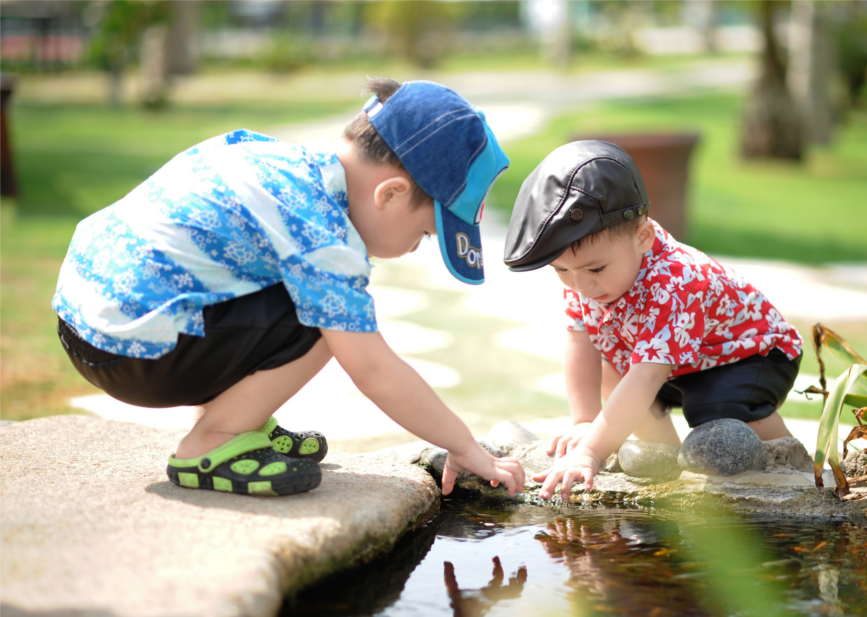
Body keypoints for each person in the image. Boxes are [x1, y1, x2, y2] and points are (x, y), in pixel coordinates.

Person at [53, 78, 525, 498]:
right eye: (424, 234)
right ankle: (212, 442)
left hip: (88, 321)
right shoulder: (321, 232)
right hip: (132, 352)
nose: (413, 249)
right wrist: (463, 445)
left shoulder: (278, 160)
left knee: (307, 295)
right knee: (331, 321)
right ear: (391, 194)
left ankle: (241, 422)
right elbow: (373, 369)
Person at [503, 140, 802, 500]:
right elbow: (580, 341)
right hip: (679, 363)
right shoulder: (586, 278)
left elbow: (648, 375)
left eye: (595, 268)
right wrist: (585, 421)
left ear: (642, 237)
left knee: (714, 410)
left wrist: (590, 451)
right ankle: (667, 463)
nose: (581, 284)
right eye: (561, 270)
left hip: (751, 355)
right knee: (612, 368)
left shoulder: (676, 280)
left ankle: (791, 465)